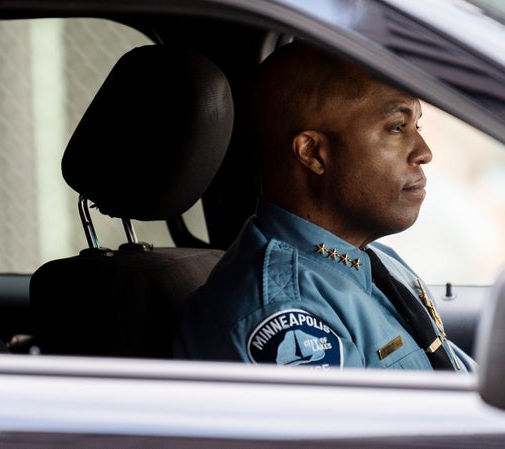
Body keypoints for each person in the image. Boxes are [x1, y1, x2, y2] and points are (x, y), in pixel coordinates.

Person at [174, 41, 474, 371]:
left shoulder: (376, 261)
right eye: (397, 127)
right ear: (314, 153)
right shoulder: (286, 311)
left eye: (417, 125)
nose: (423, 151)